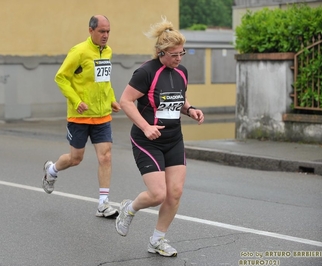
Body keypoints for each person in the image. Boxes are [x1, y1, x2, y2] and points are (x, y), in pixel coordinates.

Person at [115, 17, 204, 257]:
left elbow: (178, 98)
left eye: (181, 53)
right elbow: (125, 101)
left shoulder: (181, 71)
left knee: (174, 193)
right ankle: (129, 209)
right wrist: (145, 127)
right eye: (174, 54)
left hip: (174, 138)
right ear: (160, 52)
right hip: (147, 140)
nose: (179, 58)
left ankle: (157, 240)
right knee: (157, 194)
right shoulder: (146, 72)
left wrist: (190, 109)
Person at [42, 15, 121, 218]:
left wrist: (111, 99)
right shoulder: (79, 51)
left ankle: (103, 204)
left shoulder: (108, 52)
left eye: (108, 31)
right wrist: (77, 102)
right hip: (80, 116)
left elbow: (104, 80)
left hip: (102, 116)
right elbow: (60, 77)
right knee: (76, 159)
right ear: (91, 31)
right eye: (102, 31)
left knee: (106, 157)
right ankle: (52, 170)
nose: (105, 35)